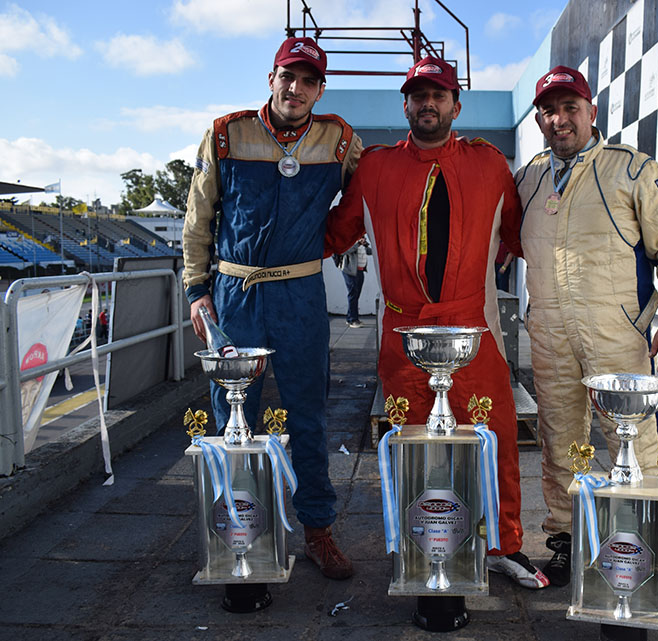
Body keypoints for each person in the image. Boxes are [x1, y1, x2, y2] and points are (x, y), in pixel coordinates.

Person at [326, 56, 548, 589]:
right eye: (418, 95)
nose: (428, 103)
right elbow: (331, 233)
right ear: (405, 104)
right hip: (403, 334)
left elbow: (526, 235)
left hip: (477, 328)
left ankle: (502, 544)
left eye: (439, 95)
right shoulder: (376, 167)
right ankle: (417, 544)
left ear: (456, 104)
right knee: (411, 446)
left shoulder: (490, 164)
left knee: (493, 441)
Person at [181, 36, 363, 580]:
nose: (297, 88)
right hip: (235, 295)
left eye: (309, 80)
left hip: (300, 295)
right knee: (233, 416)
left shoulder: (338, 139)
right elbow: (198, 218)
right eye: (289, 76)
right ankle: (237, 529)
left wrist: (324, 242)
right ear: (271, 78)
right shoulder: (226, 133)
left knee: (309, 415)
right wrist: (197, 289)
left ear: (320, 88)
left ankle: (318, 530)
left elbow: (363, 196)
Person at [515, 66, 658, 586]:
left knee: (634, 442)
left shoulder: (632, 169)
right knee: (559, 442)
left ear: (592, 112)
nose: (560, 119)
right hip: (550, 335)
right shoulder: (527, 177)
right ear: (539, 120)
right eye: (550, 110)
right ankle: (568, 540)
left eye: (571, 107)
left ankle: (642, 549)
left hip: (617, 334)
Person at [338, 237, 368, 328]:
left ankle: (350, 317)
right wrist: (358, 244)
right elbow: (344, 251)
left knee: (356, 294)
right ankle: (353, 320)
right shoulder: (348, 240)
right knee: (353, 294)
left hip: (360, 271)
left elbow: (368, 252)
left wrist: (366, 245)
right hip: (350, 271)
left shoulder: (360, 241)